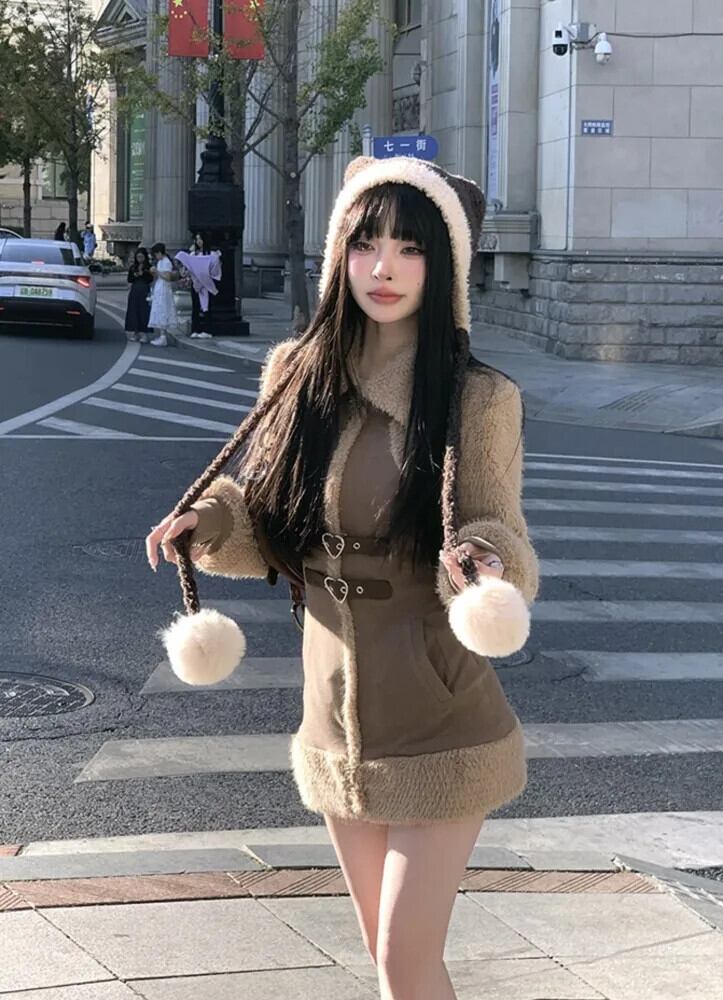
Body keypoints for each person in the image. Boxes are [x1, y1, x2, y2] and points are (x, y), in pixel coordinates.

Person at [145, 157, 539, 1000]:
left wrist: (485, 562)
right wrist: (206, 523)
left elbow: (500, 526)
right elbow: (268, 519)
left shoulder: (476, 398)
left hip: (440, 715)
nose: (384, 267)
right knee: (392, 961)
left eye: (410, 248)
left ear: (444, 266)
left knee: (403, 958)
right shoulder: (296, 371)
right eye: (366, 244)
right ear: (339, 255)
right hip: (332, 715)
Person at [175, 232, 221, 340]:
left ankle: (208, 330)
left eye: (200, 239)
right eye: (197, 239)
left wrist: (206, 277)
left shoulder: (213, 255)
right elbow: (188, 270)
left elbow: (215, 271)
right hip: (196, 283)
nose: (199, 241)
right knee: (195, 306)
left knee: (207, 307)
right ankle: (195, 329)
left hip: (207, 284)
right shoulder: (193, 254)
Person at [147, 242, 178, 347]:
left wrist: (157, 272)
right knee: (159, 309)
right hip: (160, 286)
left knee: (163, 309)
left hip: (164, 288)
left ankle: (163, 336)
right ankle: (161, 335)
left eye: (156, 254)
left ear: (160, 253)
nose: (156, 256)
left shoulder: (166, 262)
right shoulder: (160, 262)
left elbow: (168, 277)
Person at [124, 247, 153, 343]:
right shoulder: (133, 267)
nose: (140, 259)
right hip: (135, 290)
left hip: (144, 290)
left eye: (141, 257)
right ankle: (135, 332)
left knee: (144, 312)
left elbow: (150, 279)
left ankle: (144, 333)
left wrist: (143, 274)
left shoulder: (149, 267)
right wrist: (135, 275)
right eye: (138, 257)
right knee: (133, 311)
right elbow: (129, 279)